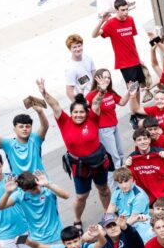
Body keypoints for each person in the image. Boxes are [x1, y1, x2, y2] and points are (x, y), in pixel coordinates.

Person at [36, 81, 113, 223]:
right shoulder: (64, 121)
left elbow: (96, 103)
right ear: (71, 113)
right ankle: (77, 219)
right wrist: (44, 93)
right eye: (75, 112)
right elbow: (55, 105)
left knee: (104, 189)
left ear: (87, 112)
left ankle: (109, 215)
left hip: (98, 161)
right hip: (79, 166)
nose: (78, 115)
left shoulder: (92, 118)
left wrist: (101, 91)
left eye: (82, 112)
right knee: (81, 196)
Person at [0, 103, 50, 176]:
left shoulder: (35, 139)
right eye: (21, 127)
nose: (25, 129)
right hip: (21, 185)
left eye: (27, 126)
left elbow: (45, 126)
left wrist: (40, 112)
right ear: (14, 129)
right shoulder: (9, 144)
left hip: (42, 183)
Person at [93, 0, 146, 88]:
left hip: (135, 60)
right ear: (117, 10)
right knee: (132, 89)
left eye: (127, 9)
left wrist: (139, 58)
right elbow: (94, 35)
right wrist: (102, 21)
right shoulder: (110, 23)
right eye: (123, 10)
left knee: (139, 87)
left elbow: (132, 41)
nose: (126, 12)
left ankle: (137, 103)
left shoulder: (130, 19)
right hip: (124, 63)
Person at [64, 34, 96, 100]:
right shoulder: (71, 68)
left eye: (79, 46)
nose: (78, 49)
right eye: (74, 47)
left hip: (96, 95)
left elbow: (95, 75)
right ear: (70, 49)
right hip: (85, 99)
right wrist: (79, 105)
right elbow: (69, 92)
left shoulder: (88, 58)